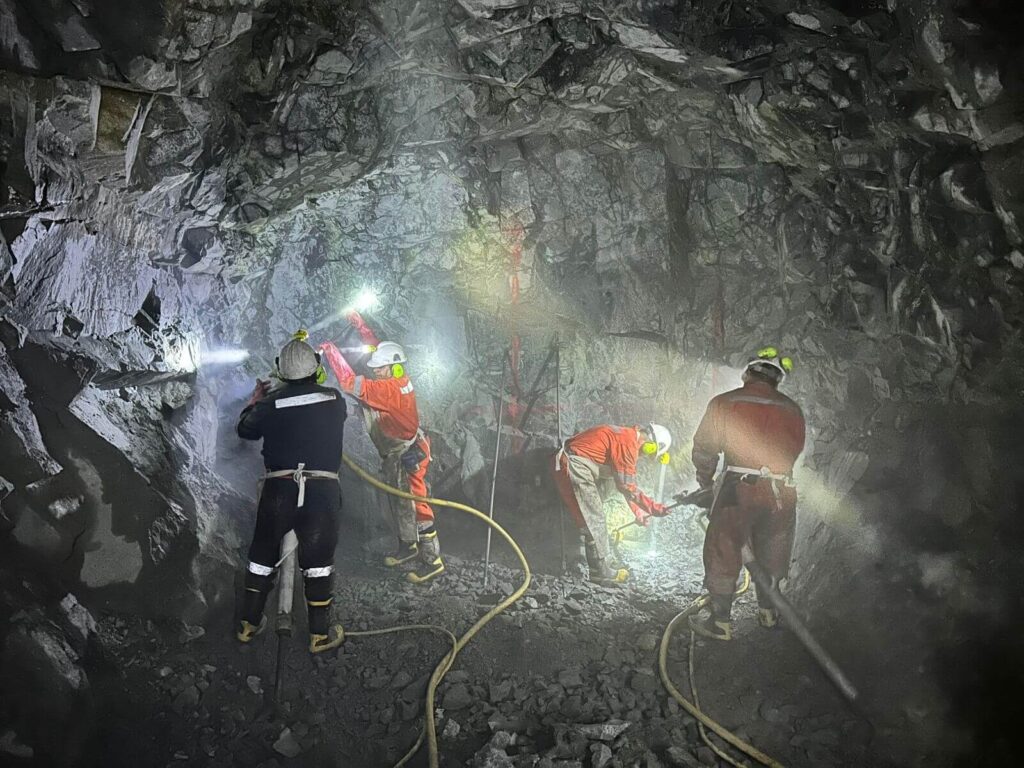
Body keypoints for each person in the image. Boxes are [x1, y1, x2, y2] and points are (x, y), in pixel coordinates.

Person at [236, 330, 347, 654]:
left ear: (281, 372)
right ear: (315, 367)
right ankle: (318, 635)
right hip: (322, 493)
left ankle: (248, 625)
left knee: (261, 556)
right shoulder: (334, 400)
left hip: (280, 490)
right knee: (318, 563)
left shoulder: (272, 404)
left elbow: (245, 429)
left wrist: (257, 399)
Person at [688, 347, 806, 640]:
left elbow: (704, 448)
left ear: (747, 372)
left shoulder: (725, 403)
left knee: (725, 548)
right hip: (782, 491)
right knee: (772, 551)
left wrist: (706, 484)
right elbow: (795, 449)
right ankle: (768, 612)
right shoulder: (793, 409)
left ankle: (721, 622)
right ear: (778, 379)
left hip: (739, 488)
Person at [320, 312, 443, 584]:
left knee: (417, 504)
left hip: (407, 452)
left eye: (379, 368)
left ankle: (432, 559)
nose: (375, 370)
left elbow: (348, 382)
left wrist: (331, 351)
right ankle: (408, 547)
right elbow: (380, 348)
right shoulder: (397, 374)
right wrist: (361, 325)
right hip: (399, 448)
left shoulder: (388, 389)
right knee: (400, 502)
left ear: (393, 368)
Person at [552, 423, 672, 584]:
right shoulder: (627, 443)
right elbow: (627, 486)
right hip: (575, 465)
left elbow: (625, 485)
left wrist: (639, 512)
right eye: (647, 453)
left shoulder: (626, 436)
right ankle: (600, 572)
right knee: (595, 518)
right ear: (650, 444)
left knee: (593, 517)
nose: (643, 456)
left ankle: (604, 561)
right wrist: (652, 507)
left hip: (574, 463)